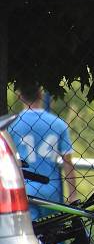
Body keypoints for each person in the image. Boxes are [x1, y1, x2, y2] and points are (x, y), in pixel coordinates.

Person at [9, 82, 77, 220]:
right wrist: (72, 195)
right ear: (41, 94)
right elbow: (67, 162)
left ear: (19, 96)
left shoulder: (12, 124)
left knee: (29, 235)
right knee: (51, 234)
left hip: (23, 190)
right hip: (51, 191)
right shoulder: (58, 124)